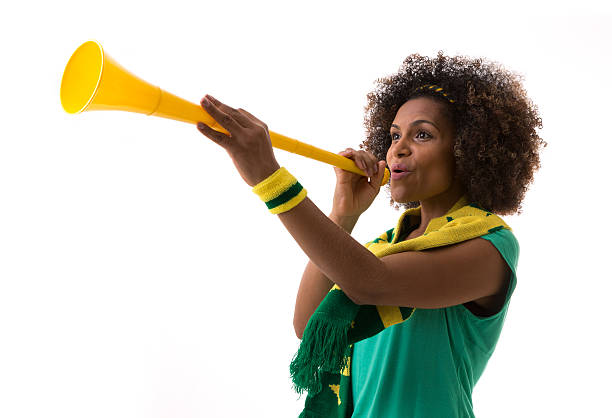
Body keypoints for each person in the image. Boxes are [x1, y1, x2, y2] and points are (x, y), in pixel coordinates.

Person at [196, 51, 545, 417]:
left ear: (467, 150)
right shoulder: (383, 250)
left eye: (422, 134)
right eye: (394, 135)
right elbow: (308, 324)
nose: (399, 148)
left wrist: (270, 179)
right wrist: (343, 215)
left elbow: (370, 283)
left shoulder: (491, 247)